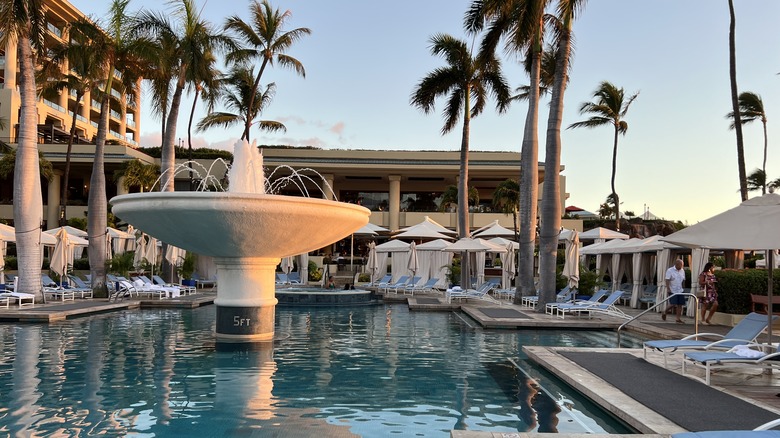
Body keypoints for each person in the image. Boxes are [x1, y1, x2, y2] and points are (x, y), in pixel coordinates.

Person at [663, 259, 686, 324]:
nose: (681, 267)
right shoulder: (670, 270)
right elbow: (667, 280)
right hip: (673, 289)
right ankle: (665, 311)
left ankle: (678, 318)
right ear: (676, 264)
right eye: (680, 265)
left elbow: (683, 279)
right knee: (673, 303)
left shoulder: (682, 271)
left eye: (682, 265)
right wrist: (668, 288)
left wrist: (683, 287)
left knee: (680, 304)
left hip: (680, 290)